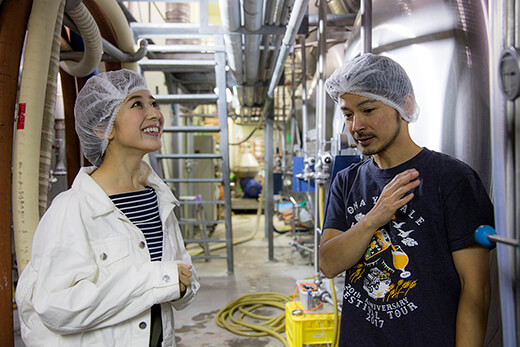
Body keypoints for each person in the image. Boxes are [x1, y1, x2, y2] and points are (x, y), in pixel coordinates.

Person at [15, 69, 200, 346]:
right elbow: (55, 306)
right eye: (137, 104)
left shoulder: (157, 199)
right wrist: (159, 280)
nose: (155, 114)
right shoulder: (72, 209)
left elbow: (184, 276)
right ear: (103, 128)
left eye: (154, 103)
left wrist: (182, 285)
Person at [319, 53, 493, 346]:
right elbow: (328, 263)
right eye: (348, 114)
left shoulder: (453, 180)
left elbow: (476, 290)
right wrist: (374, 217)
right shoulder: (347, 181)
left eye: (369, 109)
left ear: (405, 105)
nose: (356, 126)